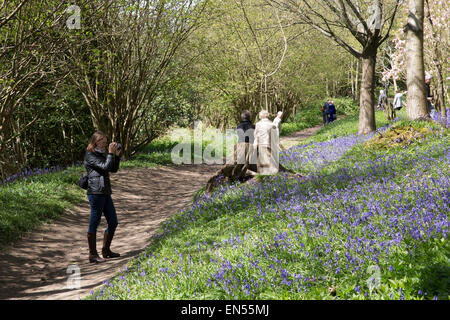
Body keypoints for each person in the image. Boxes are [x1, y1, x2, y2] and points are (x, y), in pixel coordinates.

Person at [84, 131, 121, 263]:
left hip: (105, 191)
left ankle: (106, 251)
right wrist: (110, 154)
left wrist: (115, 156)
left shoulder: (101, 154)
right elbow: (105, 167)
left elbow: (113, 169)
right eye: (103, 142)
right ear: (95, 142)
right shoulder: (90, 155)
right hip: (95, 192)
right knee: (94, 222)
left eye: (106, 142)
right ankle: (92, 255)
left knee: (113, 221)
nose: (105, 144)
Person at [254, 110, 279, 175]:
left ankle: (264, 174)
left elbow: (256, 135)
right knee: (271, 159)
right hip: (270, 144)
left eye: (259, 115)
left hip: (261, 144)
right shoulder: (272, 124)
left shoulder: (258, 124)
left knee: (263, 160)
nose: (259, 117)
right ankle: (272, 173)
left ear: (261, 116)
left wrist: (255, 144)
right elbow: (275, 135)